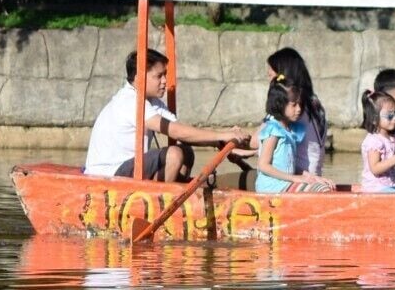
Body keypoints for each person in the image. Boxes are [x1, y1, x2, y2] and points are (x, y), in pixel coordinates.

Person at [84, 48, 247, 180]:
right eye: (159, 76)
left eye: (165, 75)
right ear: (139, 78)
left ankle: (176, 191)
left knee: (185, 151)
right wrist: (222, 134)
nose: (164, 81)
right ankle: (163, 202)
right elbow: (174, 131)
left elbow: (181, 132)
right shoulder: (129, 101)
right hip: (106, 174)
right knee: (174, 154)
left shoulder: (152, 101)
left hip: (126, 169)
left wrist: (221, 142)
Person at [255, 79, 336, 193]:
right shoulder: (273, 130)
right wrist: (294, 178)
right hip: (272, 187)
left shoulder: (289, 131)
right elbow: (263, 165)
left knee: (324, 186)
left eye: (300, 104)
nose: (299, 109)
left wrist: (313, 178)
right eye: (294, 105)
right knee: (322, 191)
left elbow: (289, 166)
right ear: (279, 104)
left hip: (285, 184)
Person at [267, 48, 332, 179]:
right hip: (314, 175)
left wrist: (233, 137)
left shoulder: (290, 109)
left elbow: (257, 141)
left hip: (300, 178)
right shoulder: (314, 102)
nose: (269, 78)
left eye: (271, 75)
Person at [358, 86, 395, 191]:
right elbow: (375, 169)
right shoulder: (374, 141)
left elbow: (392, 166)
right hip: (375, 189)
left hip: (390, 186)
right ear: (373, 119)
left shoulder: (392, 139)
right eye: (389, 116)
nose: (394, 118)